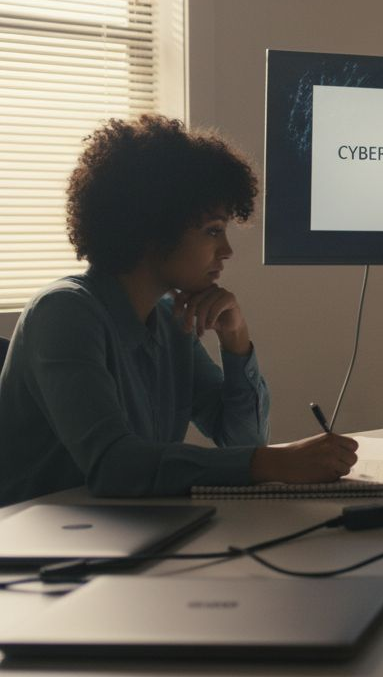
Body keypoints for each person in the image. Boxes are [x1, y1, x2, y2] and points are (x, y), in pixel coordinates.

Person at [0, 115, 358, 507]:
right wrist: (273, 463)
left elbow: (242, 441)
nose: (227, 251)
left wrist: (236, 342)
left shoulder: (169, 320)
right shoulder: (64, 313)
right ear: (154, 229)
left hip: (126, 525)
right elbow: (113, 465)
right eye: (212, 230)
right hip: (42, 543)